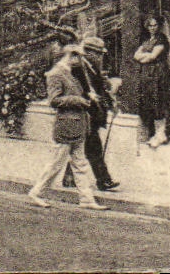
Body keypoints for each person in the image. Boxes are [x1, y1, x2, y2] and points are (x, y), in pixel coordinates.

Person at [28, 45, 108, 210]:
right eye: (79, 57)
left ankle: (86, 199)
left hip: (78, 125)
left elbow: (73, 94)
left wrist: (87, 96)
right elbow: (54, 100)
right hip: (66, 125)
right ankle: (36, 192)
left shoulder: (71, 73)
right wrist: (78, 101)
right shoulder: (55, 74)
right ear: (71, 56)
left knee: (80, 163)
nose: (81, 61)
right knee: (56, 162)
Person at [62, 36, 117, 192]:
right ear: (88, 53)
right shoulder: (78, 68)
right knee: (92, 148)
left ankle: (71, 177)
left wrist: (110, 101)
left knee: (83, 148)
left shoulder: (93, 68)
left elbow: (100, 89)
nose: (101, 57)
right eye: (98, 54)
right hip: (84, 113)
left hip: (92, 114)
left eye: (101, 54)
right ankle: (103, 180)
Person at [131, 14, 170, 147]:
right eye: (150, 25)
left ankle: (160, 134)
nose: (152, 28)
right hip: (147, 76)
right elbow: (136, 56)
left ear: (159, 26)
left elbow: (152, 56)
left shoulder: (161, 39)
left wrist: (146, 56)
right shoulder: (147, 40)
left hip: (158, 75)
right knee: (148, 102)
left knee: (158, 102)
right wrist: (145, 56)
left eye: (155, 25)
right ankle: (153, 134)